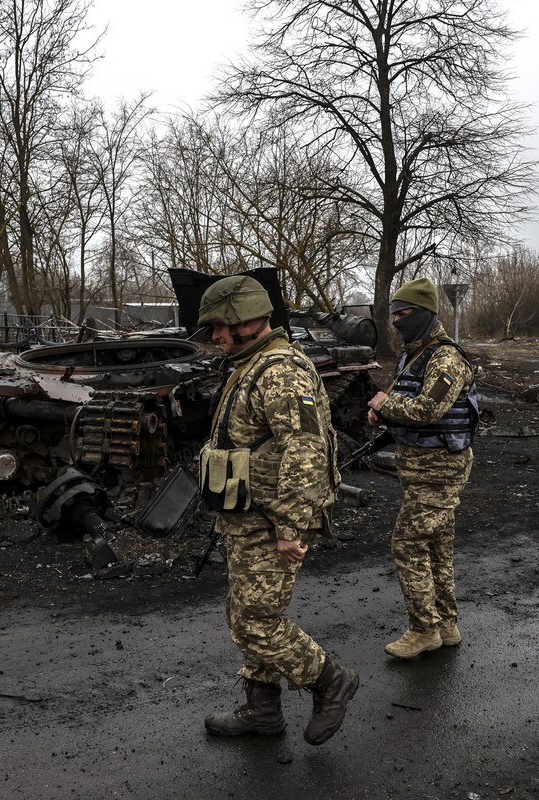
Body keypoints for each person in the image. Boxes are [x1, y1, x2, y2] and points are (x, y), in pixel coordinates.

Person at [197, 274, 359, 746]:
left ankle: (330, 681)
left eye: (219, 326)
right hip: (248, 517)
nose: (215, 336)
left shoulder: (281, 369)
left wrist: (291, 526)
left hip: (273, 521)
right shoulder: (250, 364)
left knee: (256, 620)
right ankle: (262, 710)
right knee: (243, 612)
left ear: (246, 319)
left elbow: (305, 452)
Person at [366, 278, 479, 660]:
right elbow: (406, 401)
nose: (396, 321)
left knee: (407, 543)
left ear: (426, 313)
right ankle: (445, 624)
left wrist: (385, 405)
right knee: (436, 547)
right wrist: (384, 411)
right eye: (393, 314)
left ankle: (423, 630)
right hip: (421, 469)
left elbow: (430, 409)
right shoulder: (417, 353)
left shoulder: (445, 357)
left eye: (404, 314)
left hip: (439, 470)